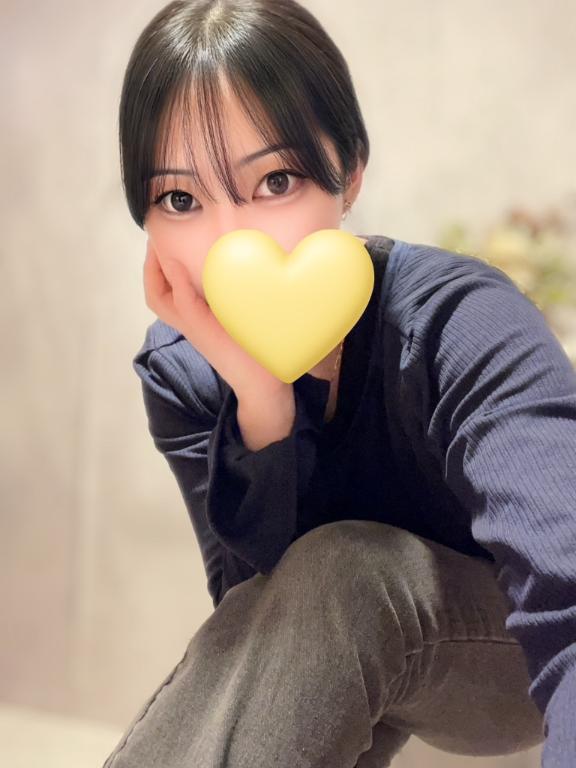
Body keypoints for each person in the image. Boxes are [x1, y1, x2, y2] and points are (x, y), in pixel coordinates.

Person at [104, 1, 576, 766]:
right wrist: (261, 399)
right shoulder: (184, 368)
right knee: (296, 596)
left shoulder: (458, 320)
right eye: (181, 199)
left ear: (349, 172)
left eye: (275, 180)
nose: (230, 243)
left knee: (345, 568)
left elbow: (569, 594)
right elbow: (248, 617)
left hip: (510, 659)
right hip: (344, 643)